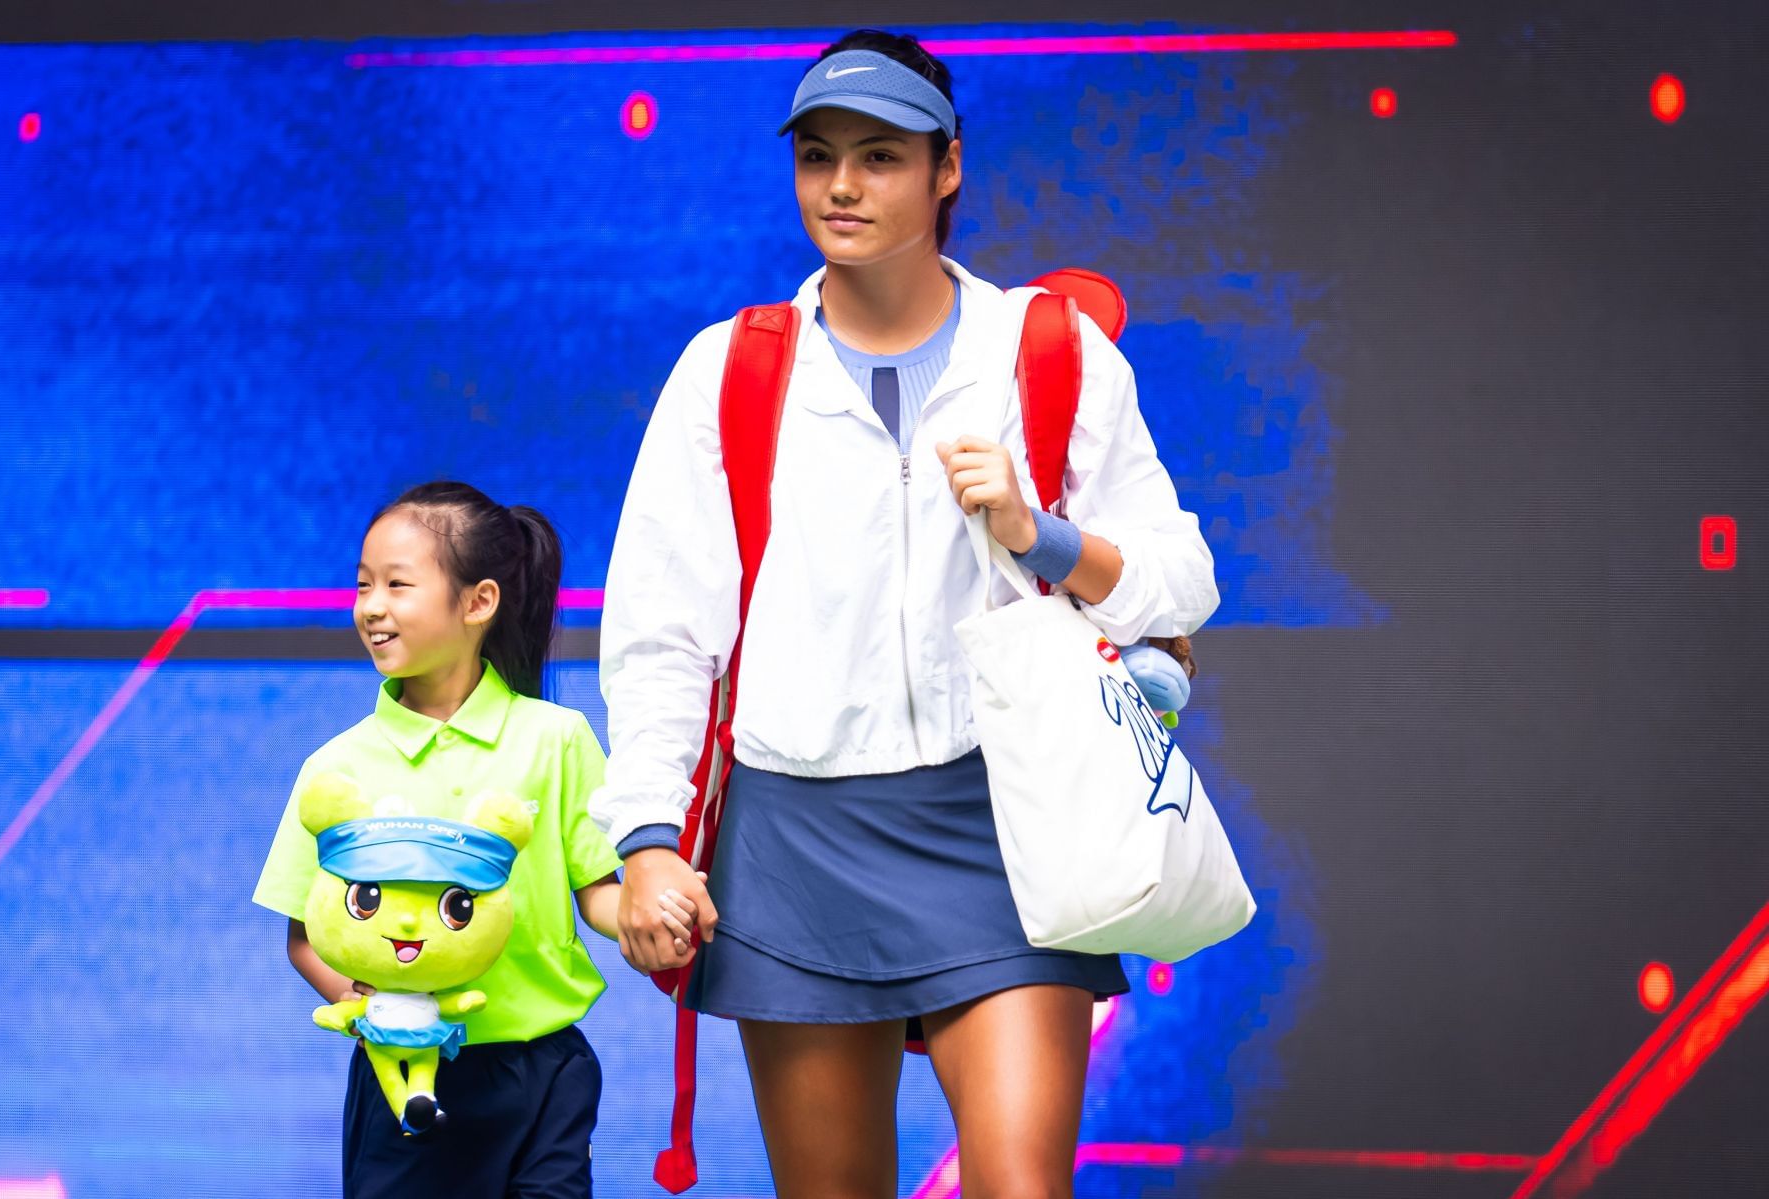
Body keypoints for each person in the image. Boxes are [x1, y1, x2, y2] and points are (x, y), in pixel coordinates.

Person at [592, 28, 1221, 1199]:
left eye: (880, 155)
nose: (841, 185)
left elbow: (1183, 578)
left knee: (1022, 1185)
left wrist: (1041, 534)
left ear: (948, 167)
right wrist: (646, 839)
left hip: (1005, 824)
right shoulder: (728, 370)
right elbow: (661, 637)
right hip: (794, 839)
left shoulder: (1050, 350)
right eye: (817, 156)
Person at [252, 481, 692, 1198]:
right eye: (363, 585)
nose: (371, 607)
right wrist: (376, 1014)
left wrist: (655, 917)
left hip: (545, 1072)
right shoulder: (335, 767)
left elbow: (599, 894)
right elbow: (305, 938)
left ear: (479, 602)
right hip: (406, 1084)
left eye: (397, 584)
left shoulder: (557, 739)